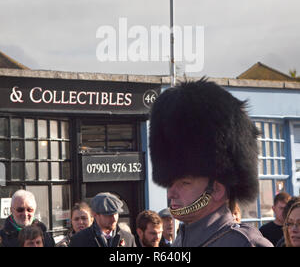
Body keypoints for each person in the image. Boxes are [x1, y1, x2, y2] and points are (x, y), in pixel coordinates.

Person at [149, 78, 273, 247]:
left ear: (216, 190)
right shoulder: (179, 242)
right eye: (171, 183)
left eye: (185, 183)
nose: (171, 193)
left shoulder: (244, 243)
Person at [69, 192, 136, 247]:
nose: (114, 219)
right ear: (95, 214)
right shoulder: (79, 240)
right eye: (108, 215)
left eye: (116, 214)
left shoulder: (128, 238)